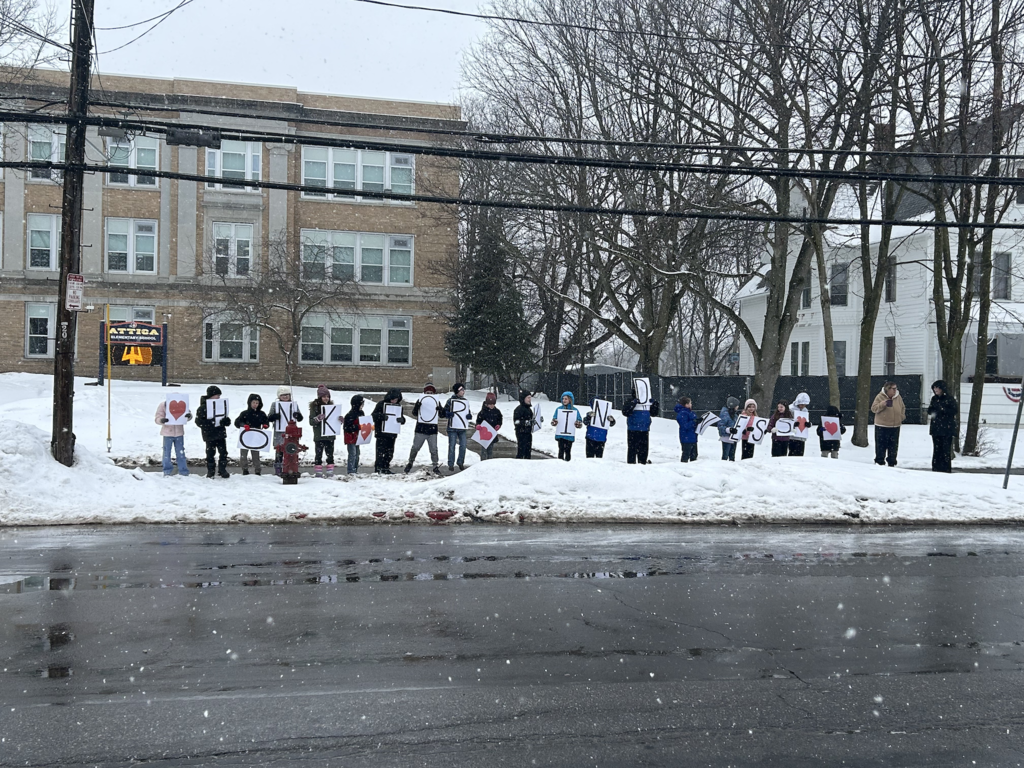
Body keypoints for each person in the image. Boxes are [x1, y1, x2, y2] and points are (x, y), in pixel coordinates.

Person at [195, 385, 231, 479]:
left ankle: (222, 469)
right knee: (210, 453)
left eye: (219, 395)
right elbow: (199, 421)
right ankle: (211, 471)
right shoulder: (202, 408)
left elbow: (225, 416)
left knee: (223, 452)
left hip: (220, 433)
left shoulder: (221, 405)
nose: (218, 397)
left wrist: (226, 421)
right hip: (209, 434)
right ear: (211, 395)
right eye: (217, 395)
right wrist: (210, 423)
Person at [406, 383, 442, 475]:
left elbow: (442, 415)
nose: (429, 394)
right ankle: (410, 462)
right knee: (415, 447)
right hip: (420, 429)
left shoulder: (436, 401)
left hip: (432, 430)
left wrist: (440, 409)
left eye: (431, 392)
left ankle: (435, 465)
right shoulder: (420, 400)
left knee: (434, 449)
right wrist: (418, 406)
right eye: (427, 392)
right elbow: (414, 413)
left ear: (434, 393)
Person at [268, 385, 304, 477]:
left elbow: (300, 418)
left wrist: (298, 416)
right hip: (279, 432)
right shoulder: (275, 405)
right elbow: (269, 417)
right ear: (279, 396)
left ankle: (290, 468)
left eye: (287, 395)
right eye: (283, 395)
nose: (285, 397)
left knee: (291, 451)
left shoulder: (294, 405)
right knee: (279, 450)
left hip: (292, 432)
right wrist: (274, 417)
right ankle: (278, 469)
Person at [622, 384, 660, 464]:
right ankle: (631, 464)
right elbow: (625, 412)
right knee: (632, 449)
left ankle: (642, 463)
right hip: (633, 429)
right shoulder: (630, 401)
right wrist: (633, 403)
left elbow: (654, 413)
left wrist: (655, 405)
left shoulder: (647, 401)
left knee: (643, 450)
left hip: (644, 429)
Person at [870, 381, 905, 467]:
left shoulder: (898, 397)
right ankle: (879, 462)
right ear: (887, 389)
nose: (895, 390)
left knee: (893, 446)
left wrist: (901, 416)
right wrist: (882, 404)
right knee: (881, 445)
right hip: (882, 426)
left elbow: (903, 407)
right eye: (893, 389)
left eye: (896, 388)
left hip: (895, 426)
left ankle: (892, 462)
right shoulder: (879, 397)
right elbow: (874, 409)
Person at [234, 393, 270, 476]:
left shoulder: (261, 414)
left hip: (256, 436)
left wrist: (265, 425)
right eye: (253, 402)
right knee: (244, 454)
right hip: (246, 436)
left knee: (256, 455)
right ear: (249, 403)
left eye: (257, 403)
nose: (255, 405)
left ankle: (257, 470)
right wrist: (243, 425)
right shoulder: (244, 413)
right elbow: (237, 422)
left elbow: (266, 421)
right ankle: (245, 469)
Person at [154, 399, 192, 477]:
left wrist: (188, 416)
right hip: (167, 433)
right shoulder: (163, 405)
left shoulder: (182, 404)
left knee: (180, 453)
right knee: (167, 452)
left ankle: (183, 471)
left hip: (179, 433)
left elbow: (188, 415)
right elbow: (158, 417)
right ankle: (167, 471)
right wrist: (162, 420)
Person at [927, 379, 959, 473]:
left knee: (945, 449)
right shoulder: (934, 399)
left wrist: (943, 409)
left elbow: (954, 411)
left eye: (937, 388)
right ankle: (936, 467)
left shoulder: (949, 399)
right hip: (936, 428)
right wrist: (933, 410)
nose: (936, 390)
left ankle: (945, 468)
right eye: (934, 388)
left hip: (946, 428)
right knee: (937, 449)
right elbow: (930, 410)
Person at [372, 388, 405, 474]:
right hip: (381, 433)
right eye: (392, 399)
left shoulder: (398, 407)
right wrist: (381, 416)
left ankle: (386, 467)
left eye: (396, 399)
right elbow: (373, 415)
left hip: (392, 433)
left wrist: (402, 420)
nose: (394, 401)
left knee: (389, 452)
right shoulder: (381, 404)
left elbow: (402, 418)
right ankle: (379, 468)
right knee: (380, 452)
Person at [308, 385, 336, 478]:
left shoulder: (332, 407)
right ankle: (318, 473)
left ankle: (330, 472)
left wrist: (339, 420)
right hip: (319, 435)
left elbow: (334, 421)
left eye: (327, 396)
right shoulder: (314, 407)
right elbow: (311, 422)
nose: (326, 398)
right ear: (320, 397)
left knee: (330, 454)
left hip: (330, 435)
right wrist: (317, 419)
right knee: (318, 454)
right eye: (324, 396)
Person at [444, 383, 471, 471]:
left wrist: (469, 416)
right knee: (452, 446)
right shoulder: (450, 401)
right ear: (457, 391)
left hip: (462, 427)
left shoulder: (465, 401)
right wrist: (448, 414)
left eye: (463, 390)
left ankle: (460, 462)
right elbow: (444, 412)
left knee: (463, 445)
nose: (463, 392)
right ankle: (451, 463)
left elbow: (468, 412)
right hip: (452, 428)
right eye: (461, 390)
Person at [550, 391, 583, 461]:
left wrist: (578, 424)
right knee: (560, 450)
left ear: (570, 400)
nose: (564, 400)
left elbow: (579, 420)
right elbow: (554, 418)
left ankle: (568, 465)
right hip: (560, 434)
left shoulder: (575, 410)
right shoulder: (559, 409)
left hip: (569, 435)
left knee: (568, 451)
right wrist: (554, 422)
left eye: (566, 399)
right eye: (563, 399)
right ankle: (559, 464)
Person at [475, 392, 504, 460]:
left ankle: (489, 462)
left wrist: (498, 425)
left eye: (493, 404)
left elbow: (500, 419)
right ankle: (483, 462)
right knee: (484, 450)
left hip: (492, 434)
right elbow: (478, 421)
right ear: (487, 404)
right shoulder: (482, 412)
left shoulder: (497, 412)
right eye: (490, 404)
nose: (492, 406)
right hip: (484, 435)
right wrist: (477, 426)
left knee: (490, 450)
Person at [342, 394, 365, 476]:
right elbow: (346, 427)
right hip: (350, 437)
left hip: (358, 437)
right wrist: (358, 427)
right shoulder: (350, 415)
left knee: (357, 454)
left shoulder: (361, 413)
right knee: (352, 454)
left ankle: (355, 469)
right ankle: (351, 470)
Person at [512, 390, 535, 459]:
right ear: (523, 398)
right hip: (521, 432)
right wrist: (525, 422)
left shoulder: (529, 410)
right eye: (528, 398)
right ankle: (520, 462)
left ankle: (527, 461)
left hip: (528, 432)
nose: (529, 399)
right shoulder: (519, 409)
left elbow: (531, 419)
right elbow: (516, 422)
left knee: (528, 450)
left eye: (530, 398)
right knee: (521, 449)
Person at [674, 396, 698, 462]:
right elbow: (685, 426)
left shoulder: (690, 412)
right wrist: (694, 422)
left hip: (692, 436)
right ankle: (683, 467)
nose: (691, 405)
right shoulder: (682, 413)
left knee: (694, 455)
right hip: (686, 437)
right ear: (686, 404)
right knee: (686, 454)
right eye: (690, 403)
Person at [718, 396, 740, 461]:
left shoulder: (735, 415)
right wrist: (729, 430)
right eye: (736, 405)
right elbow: (720, 426)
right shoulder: (725, 414)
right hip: (726, 438)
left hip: (733, 438)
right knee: (725, 456)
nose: (738, 407)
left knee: (732, 457)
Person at [788, 392, 811, 456]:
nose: (803, 406)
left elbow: (806, 419)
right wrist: (793, 424)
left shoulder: (805, 410)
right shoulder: (790, 409)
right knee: (792, 452)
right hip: (793, 435)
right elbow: (787, 421)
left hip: (802, 436)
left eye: (805, 404)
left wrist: (808, 424)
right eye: (802, 404)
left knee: (800, 453)